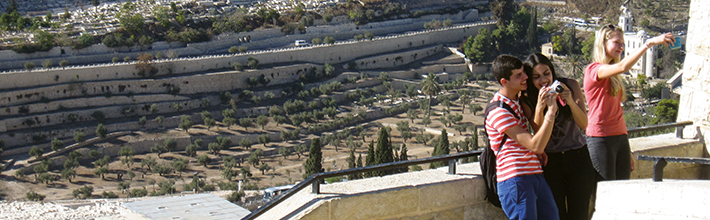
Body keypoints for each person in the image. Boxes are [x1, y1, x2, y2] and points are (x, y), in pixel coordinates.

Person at [584, 24, 675, 181]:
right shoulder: (594, 70)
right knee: (607, 191)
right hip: (601, 138)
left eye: (622, 44)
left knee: (622, 188)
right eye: (616, 42)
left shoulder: (613, 76)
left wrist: (627, 149)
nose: (621, 47)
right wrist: (649, 43)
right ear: (603, 43)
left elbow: (617, 112)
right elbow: (624, 66)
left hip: (620, 137)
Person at [520, 53, 596, 220]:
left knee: (580, 214)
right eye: (537, 77)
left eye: (546, 73)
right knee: (556, 214)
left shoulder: (570, 85)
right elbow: (538, 131)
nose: (543, 80)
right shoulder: (527, 99)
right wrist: (540, 107)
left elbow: (584, 124)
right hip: (551, 162)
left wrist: (569, 100)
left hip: (578, 157)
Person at [485, 54, 559, 220]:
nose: (525, 77)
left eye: (523, 72)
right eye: (518, 75)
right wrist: (551, 113)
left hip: (534, 175)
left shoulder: (516, 102)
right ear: (504, 82)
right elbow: (535, 145)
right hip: (516, 179)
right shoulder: (499, 111)